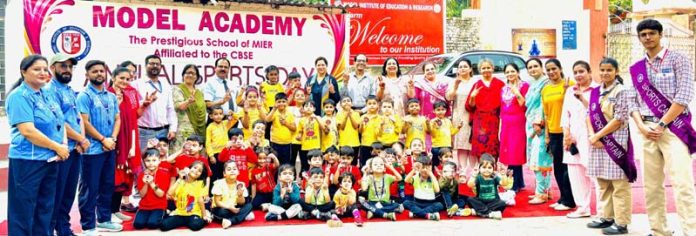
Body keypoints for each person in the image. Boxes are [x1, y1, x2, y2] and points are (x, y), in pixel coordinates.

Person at [629, 19, 696, 236]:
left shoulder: (679, 59)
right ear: (639, 38)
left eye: (651, 33)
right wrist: (641, 126)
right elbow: (632, 100)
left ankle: (691, 230)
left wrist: (661, 123)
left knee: (682, 183)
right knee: (651, 186)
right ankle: (659, 231)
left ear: (660, 34)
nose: (647, 37)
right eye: (643, 34)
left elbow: (684, 96)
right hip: (647, 130)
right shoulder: (637, 67)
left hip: (674, 129)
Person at [6, 55, 70, 236]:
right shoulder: (19, 96)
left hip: (50, 159)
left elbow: (60, 121)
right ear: (23, 72)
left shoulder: (47, 94)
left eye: (44, 69)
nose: (42, 73)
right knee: (23, 209)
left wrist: (63, 144)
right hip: (28, 160)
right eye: (36, 69)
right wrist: (56, 147)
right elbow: (28, 131)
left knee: (45, 207)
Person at [586, 58, 637, 235]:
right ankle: (607, 217)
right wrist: (593, 136)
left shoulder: (622, 91)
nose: (605, 73)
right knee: (603, 182)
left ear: (616, 71)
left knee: (619, 184)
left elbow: (619, 119)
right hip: (597, 143)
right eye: (602, 70)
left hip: (616, 143)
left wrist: (599, 136)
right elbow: (589, 115)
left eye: (609, 70)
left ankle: (621, 223)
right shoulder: (595, 91)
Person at [76, 60, 123, 234]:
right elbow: (84, 122)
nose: (99, 74)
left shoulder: (111, 96)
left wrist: (112, 138)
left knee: (107, 185)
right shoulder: (84, 96)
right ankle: (88, 225)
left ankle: (104, 219)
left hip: (109, 147)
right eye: (94, 71)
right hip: (92, 150)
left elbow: (118, 119)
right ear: (87, 75)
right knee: (90, 187)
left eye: (101, 71)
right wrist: (103, 139)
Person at [45, 54, 89, 236]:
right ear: (52, 67)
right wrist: (81, 138)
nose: (67, 70)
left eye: (70, 67)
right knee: (56, 194)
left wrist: (82, 140)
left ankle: (63, 228)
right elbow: (60, 122)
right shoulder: (49, 90)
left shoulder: (70, 90)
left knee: (69, 193)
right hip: (60, 151)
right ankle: (49, 229)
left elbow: (78, 118)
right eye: (63, 66)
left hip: (75, 149)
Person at [561, 61, 596, 218]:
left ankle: (604, 210)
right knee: (575, 173)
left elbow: (598, 112)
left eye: (581, 71)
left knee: (594, 172)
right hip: (572, 137)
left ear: (589, 72)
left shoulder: (597, 90)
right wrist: (566, 135)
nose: (578, 75)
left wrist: (583, 99)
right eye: (575, 72)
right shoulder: (570, 91)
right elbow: (565, 114)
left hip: (590, 136)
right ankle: (583, 207)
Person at [541, 59, 576, 210]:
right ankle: (563, 198)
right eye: (548, 70)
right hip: (554, 132)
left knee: (568, 168)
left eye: (554, 69)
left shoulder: (570, 84)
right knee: (558, 167)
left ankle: (570, 200)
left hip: (567, 132)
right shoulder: (546, 90)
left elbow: (575, 107)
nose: (551, 72)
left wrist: (568, 91)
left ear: (560, 69)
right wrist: (547, 135)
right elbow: (546, 114)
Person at [108, 67, 142, 221]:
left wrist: (132, 145)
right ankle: (106, 213)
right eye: (121, 78)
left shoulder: (127, 97)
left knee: (123, 179)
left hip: (127, 144)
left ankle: (115, 210)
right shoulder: (108, 94)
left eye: (128, 79)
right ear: (113, 77)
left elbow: (132, 120)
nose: (125, 81)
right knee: (112, 179)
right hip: (114, 143)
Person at [132, 55, 177, 153]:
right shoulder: (136, 84)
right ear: (145, 66)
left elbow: (170, 109)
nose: (155, 66)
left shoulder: (166, 85)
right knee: (143, 162)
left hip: (163, 132)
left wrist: (173, 128)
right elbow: (131, 108)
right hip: (144, 132)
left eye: (157, 64)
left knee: (160, 162)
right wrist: (144, 103)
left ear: (161, 67)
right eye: (151, 64)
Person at [524, 58, 553, 205]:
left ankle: (541, 193)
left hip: (540, 126)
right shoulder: (532, 84)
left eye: (535, 66)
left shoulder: (545, 83)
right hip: (530, 125)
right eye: (530, 67)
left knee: (540, 160)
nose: (533, 69)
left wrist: (538, 122)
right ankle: (546, 190)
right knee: (537, 158)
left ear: (542, 68)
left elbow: (543, 105)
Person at [498, 63, 529, 192]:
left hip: (518, 122)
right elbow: (501, 108)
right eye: (507, 72)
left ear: (517, 72)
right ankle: (519, 182)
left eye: (512, 71)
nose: (510, 74)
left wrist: (516, 92)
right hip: (506, 123)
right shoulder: (504, 88)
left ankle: (513, 183)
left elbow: (525, 104)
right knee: (508, 151)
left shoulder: (524, 86)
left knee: (515, 151)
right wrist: (500, 127)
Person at [465, 59, 505, 158]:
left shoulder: (500, 84)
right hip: (480, 121)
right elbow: (470, 106)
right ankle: (482, 170)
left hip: (494, 120)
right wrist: (473, 96)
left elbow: (505, 103)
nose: (486, 70)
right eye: (483, 68)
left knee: (494, 146)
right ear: (480, 70)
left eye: (488, 67)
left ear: (492, 68)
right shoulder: (477, 85)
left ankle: (492, 170)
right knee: (481, 146)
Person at [445, 58, 478, 174]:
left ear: (470, 69)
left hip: (473, 117)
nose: (462, 69)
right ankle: (462, 171)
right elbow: (449, 98)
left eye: (465, 66)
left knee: (473, 145)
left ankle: (475, 172)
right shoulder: (453, 82)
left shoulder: (476, 82)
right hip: (459, 116)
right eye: (460, 67)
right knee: (461, 145)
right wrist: (455, 86)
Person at [160, 161, 211, 231]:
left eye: (199, 171)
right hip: (179, 213)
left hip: (193, 213)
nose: (196, 171)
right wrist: (180, 179)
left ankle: (206, 214)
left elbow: (200, 200)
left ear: (200, 175)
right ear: (188, 169)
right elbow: (169, 193)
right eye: (195, 168)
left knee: (195, 225)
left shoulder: (200, 183)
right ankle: (180, 220)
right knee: (163, 225)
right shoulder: (180, 181)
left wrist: (204, 215)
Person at [133, 148, 171, 230]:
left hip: (159, 205)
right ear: (144, 161)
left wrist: (151, 183)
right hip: (144, 206)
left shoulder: (164, 174)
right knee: (138, 225)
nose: (151, 163)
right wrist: (146, 183)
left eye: (154, 160)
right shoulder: (141, 175)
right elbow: (142, 195)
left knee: (152, 224)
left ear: (159, 160)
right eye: (148, 161)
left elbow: (161, 194)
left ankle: (165, 212)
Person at [466, 154, 513, 220]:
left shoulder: (494, 177)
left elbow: (504, 184)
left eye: (489, 168)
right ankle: (490, 213)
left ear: (493, 169)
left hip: (493, 201)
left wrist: (503, 175)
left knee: (502, 203)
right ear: (479, 168)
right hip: (481, 201)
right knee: (469, 199)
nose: (487, 170)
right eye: (484, 167)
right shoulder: (478, 177)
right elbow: (470, 185)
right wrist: (473, 175)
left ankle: (479, 211)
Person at [172, 64, 207, 150]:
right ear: (183, 75)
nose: (190, 75)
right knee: (183, 156)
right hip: (184, 129)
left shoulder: (199, 92)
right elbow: (179, 107)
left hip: (200, 129)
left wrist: (222, 101)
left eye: (193, 73)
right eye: (188, 73)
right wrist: (188, 101)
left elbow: (203, 109)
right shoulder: (177, 89)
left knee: (197, 160)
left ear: (197, 77)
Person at [211, 161, 254, 229]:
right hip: (222, 208)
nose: (232, 171)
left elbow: (242, 203)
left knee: (249, 206)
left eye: (234, 169)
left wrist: (240, 196)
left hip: (234, 208)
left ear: (238, 172)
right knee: (223, 213)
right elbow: (217, 202)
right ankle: (240, 216)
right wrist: (229, 207)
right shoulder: (218, 183)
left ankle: (230, 221)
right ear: (224, 174)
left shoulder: (241, 184)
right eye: (229, 169)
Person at [359, 156, 403, 221]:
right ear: (371, 169)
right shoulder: (369, 177)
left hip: (385, 203)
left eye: (381, 164)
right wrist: (364, 173)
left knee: (397, 205)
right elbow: (364, 188)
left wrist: (391, 168)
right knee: (362, 203)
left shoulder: (387, 177)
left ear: (384, 168)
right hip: (372, 203)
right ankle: (386, 215)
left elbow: (400, 178)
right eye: (375, 164)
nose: (379, 166)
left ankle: (374, 212)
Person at [403, 154, 443, 221]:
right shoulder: (416, 177)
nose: (425, 170)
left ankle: (417, 214)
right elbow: (406, 180)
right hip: (417, 202)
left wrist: (431, 174)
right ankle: (427, 215)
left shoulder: (433, 178)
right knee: (406, 203)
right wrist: (414, 170)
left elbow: (437, 190)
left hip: (430, 203)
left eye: (427, 167)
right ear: (418, 168)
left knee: (439, 205)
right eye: (423, 167)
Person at [206, 106, 238, 181]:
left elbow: (236, 119)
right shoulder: (210, 127)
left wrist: (232, 113)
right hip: (215, 154)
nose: (218, 116)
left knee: (224, 173)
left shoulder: (225, 123)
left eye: (220, 114)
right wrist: (211, 155)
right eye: (216, 114)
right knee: (214, 175)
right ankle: (213, 191)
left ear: (223, 115)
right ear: (211, 116)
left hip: (225, 153)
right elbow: (208, 142)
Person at [265, 93, 297, 165]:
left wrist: (286, 123)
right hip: (275, 143)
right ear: (275, 103)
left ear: (287, 102)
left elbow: (294, 128)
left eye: (283, 101)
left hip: (287, 143)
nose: (281, 103)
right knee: (276, 163)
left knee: (286, 163)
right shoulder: (274, 113)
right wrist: (273, 109)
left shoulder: (290, 114)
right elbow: (267, 119)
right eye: (279, 102)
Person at [429, 101, 462, 168]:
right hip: (436, 146)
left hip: (447, 146)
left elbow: (451, 133)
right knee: (435, 163)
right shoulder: (432, 121)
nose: (441, 112)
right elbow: (431, 132)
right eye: (438, 110)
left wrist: (458, 128)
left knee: (447, 163)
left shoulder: (448, 121)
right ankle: (435, 175)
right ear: (434, 111)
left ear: (446, 110)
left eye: (443, 109)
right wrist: (434, 125)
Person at [359, 96, 382, 167]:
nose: (372, 105)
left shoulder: (380, 118)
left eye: (374, 103)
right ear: (366, 105)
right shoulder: (363, 117)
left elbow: (381, 133)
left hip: (376, 145)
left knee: (375, 164)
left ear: (378, 105)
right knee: (364, 165)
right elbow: (360, 131)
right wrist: (362, 125)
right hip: (365, 144)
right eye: (369, 103)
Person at [336, 96, 361, 161]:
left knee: (353, 162)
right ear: (341, 105)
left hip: (355, 143)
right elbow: (342, 127)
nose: (346, 102)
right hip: (343, 143)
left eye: (348, 101)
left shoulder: (356, 114)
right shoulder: (338, 115)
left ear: (351, 103)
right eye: (344, 101)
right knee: (343, 161)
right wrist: (346, 115)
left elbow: (356, 126)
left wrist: (350, 115)